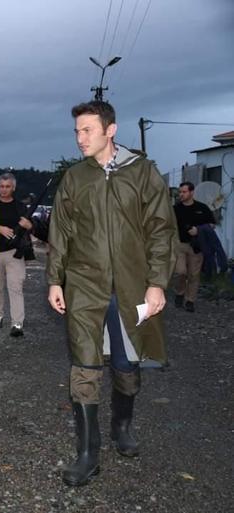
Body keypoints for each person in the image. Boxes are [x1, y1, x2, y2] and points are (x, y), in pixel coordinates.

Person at [47, 100, 177, 486]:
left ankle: (123, 425)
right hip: (84, 284)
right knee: (84, 364)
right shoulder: (75, 178)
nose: (80, 138)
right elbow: (61, 232)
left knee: (126, 366)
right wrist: (55, 279)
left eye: (87, 130)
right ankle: (88, 452)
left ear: (111, 130)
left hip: (131, 285)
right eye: (76, 131)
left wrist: (157, 283)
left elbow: (161, 230)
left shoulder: (143, 173)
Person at [0, 173, 33, 337]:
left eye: (8, 186)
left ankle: (17, 323)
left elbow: (31, 227)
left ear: (13, 188)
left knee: (15, 287)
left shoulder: (20, 207)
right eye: (2, 186)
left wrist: (28, 225)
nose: (4, 189)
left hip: (15, 253)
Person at [173, 181, 215, 312]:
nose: (181, 194)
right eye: (180, 192)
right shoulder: (176, 209)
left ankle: (190, 300)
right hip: (180, 245)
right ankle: (180, 292)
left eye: (184, 192)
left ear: (191, 192)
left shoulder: (202, 208)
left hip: (196, 246)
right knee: (180, 272)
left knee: (194, 275)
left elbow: (212, 224)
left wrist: (199, 230)